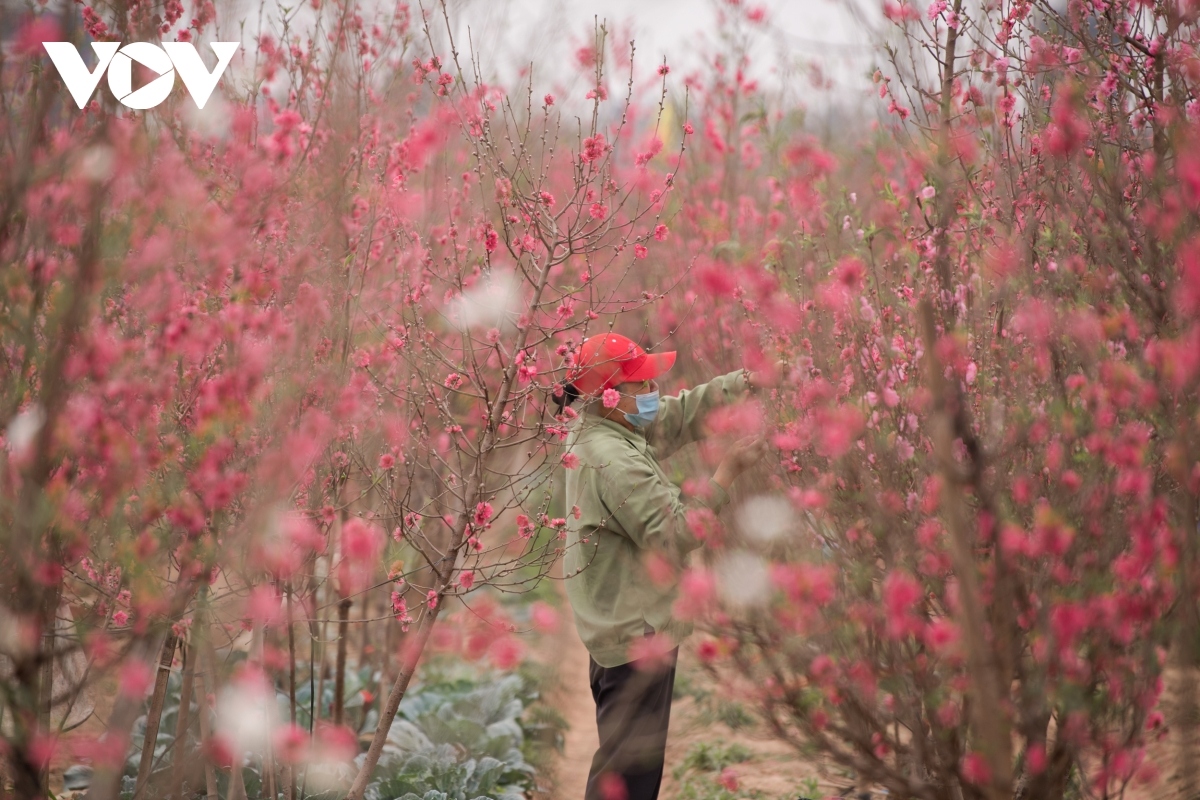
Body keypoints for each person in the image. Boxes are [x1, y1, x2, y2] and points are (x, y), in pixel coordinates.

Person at [557, 332, 769, 800]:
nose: (653, 394)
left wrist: (744, 383)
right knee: (627, 781)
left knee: (624, 770)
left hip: (626, 623)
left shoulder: (603, 427)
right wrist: (726, 474)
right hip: (637, 636)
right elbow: (674, 535)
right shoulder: (611, 458)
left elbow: (676, 417)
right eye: (641, 387)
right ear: (608, 395)